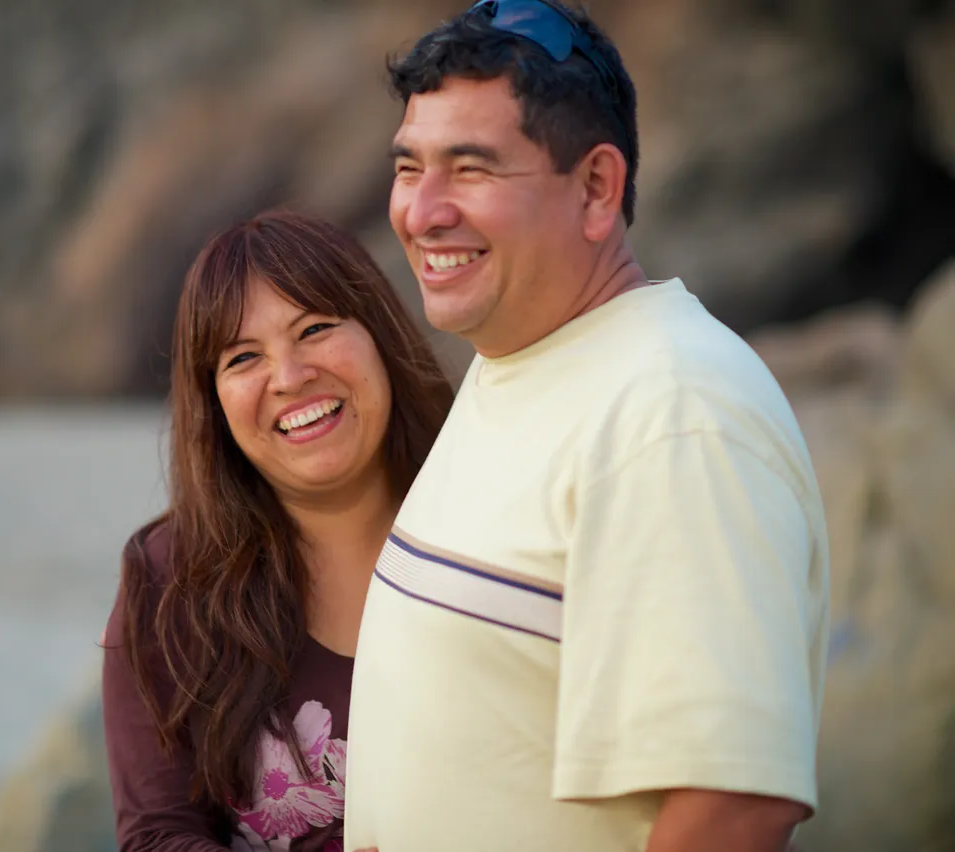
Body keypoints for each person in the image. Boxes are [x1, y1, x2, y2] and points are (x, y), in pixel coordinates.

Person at [344, 2, 830, 851]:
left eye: (471, 169)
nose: (421, 213)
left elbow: (732, 804)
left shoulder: (674, 414)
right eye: (409, 166)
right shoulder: (523, 361)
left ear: (597, 188)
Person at [101, 210, 455, 852]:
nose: (290, 377)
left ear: (379, 335)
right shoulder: (169, 576)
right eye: (243, 358)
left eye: (315, 328)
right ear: (213, 400)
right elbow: (159, 834)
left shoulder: (496, 518)